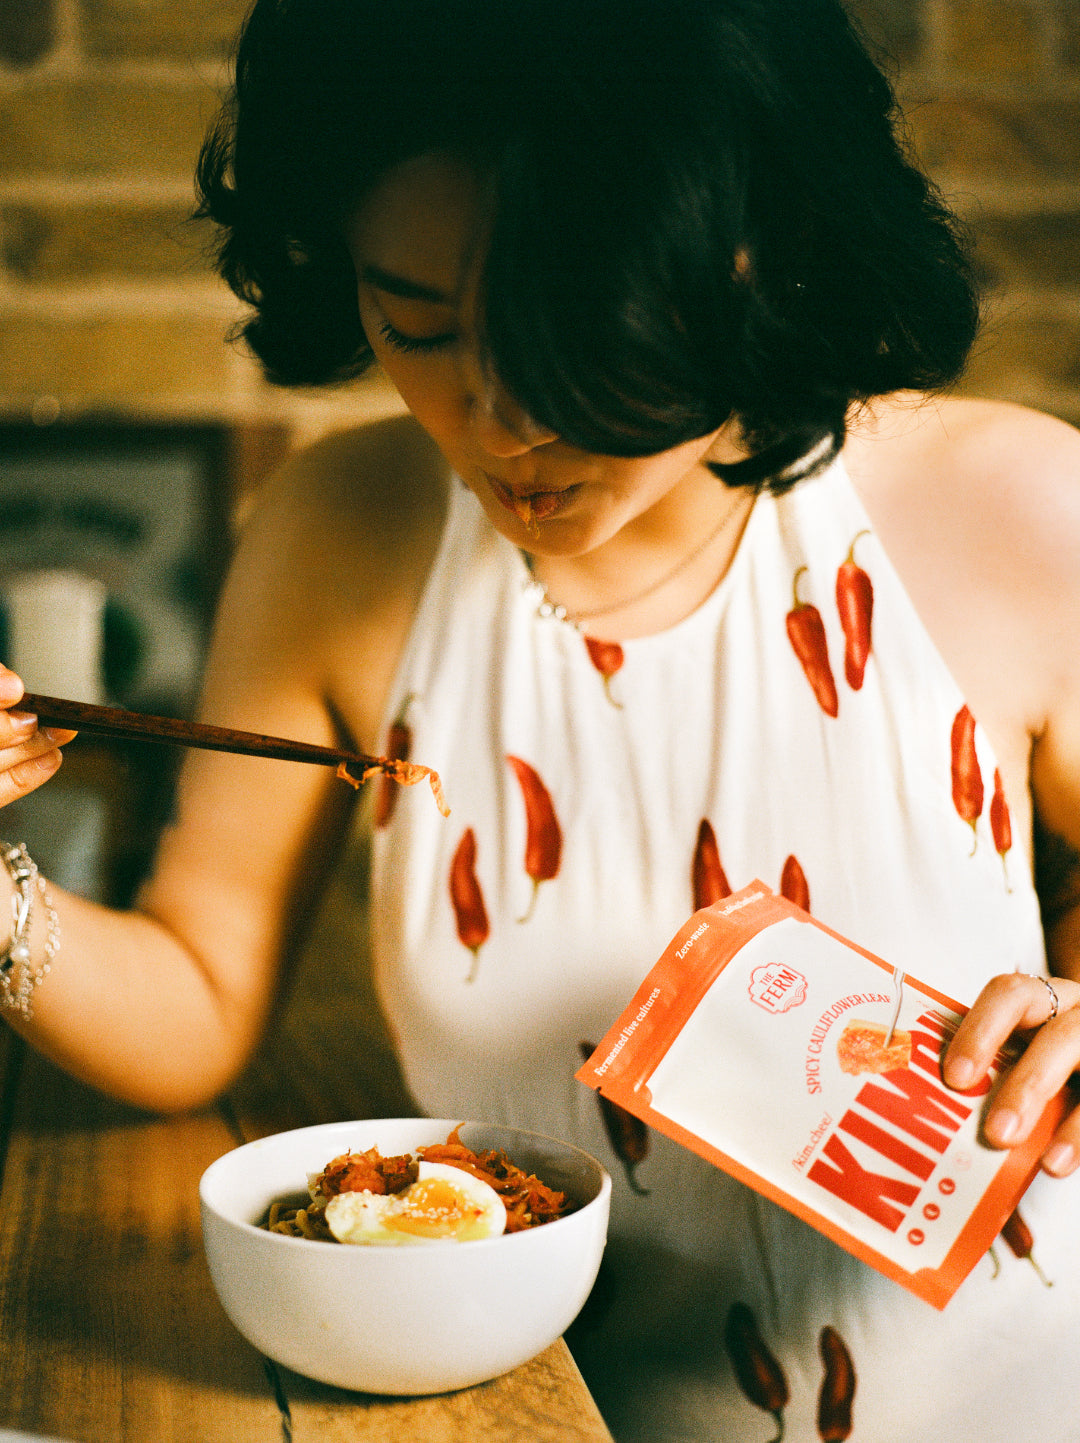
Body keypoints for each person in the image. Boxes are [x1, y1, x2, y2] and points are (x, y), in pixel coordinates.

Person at [3, 0, 1080, 1437]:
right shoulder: (338, 538)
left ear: (750, 260)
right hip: (550, 1413)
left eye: (581, 338)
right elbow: (193, 1002)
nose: (504, 420)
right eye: (422, 325)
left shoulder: (1013, 510)